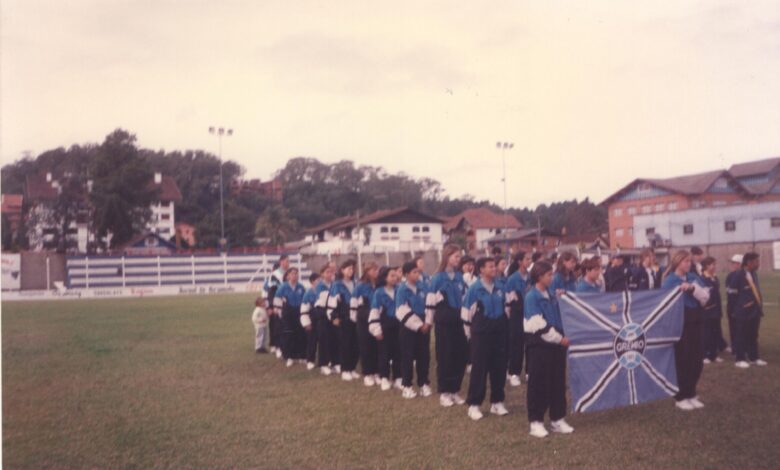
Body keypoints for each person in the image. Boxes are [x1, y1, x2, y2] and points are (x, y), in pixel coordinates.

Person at [524, 261, 573, 438]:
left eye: (552, 274)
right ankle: (535, 422)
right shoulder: (532, 297)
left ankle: (557, 418)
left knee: (558, 382)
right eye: (548, 275)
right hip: (541, 346)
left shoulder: (552, 295)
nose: (552, 278)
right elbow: (540, 327)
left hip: (556, 347)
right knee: (539, 384)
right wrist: (561, 339)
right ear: (539, 277)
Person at [462, 257, 509, 421]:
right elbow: (466, 315)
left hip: (499, 332)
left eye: (494, 266)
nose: (494, 269)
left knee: (499, 367)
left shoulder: (501, 286)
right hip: (481, 334)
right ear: (481, 269)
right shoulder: (474, 289)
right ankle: (474, 404)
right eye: (490, 266)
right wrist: (472, 335)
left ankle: (497, 401)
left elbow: (506, 308)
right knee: (479, 369)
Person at [662, 250, 707, 411]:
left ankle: (691, 393)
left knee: (697, 360)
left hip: (696, 320)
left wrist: (692, 288)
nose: (688, 264)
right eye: (685, 261)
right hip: (680, 324)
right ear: (677, 262)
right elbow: (664, 305)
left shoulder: (694, 278)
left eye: (690, 261)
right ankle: (680, 396)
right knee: (683, 360)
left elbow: (705, 297)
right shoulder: (669, 281)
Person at [427, 245, 469, 407]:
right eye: (456, 256)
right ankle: (444, 392)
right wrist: (428, 323)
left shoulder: (460, 277)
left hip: (459, 323)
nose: (458, 259)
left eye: (459, 256)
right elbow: (430, 303)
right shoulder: (437, 278)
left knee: (460, 356)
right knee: (445, 356)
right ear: (447, 257)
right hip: (444, 324)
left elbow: (465, 299)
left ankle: (454, 390)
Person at [396, 261, 433, 399]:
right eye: (414, 272)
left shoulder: (423, 287)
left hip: (425, 326)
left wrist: (428, 323)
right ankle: (407, 385)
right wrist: (418, 325)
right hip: (408, 327)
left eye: (418, 272)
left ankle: (423, 383)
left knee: (424, 355)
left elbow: (429, 305)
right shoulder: (402, 290)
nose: (418, 274)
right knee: (407, 356)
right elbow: (401, 310)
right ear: (406, 274)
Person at [369, 266, 403, 391]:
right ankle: (384, 377)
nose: (395, 278)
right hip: (385, 327)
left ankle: (398, 377)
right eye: (392, 276)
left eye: (396, 275)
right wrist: (376, 329)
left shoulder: (399, 290)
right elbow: (374, 311)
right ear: (385, 278)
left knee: (398, 352)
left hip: (398, 326)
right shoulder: (379, 293)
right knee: (384, 353)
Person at [327, 260, 361, 381]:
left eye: (352, 269)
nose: (351, 271)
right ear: (342, 270)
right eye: (348, 269)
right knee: (345, 344)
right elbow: (332, 302)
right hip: (343, 317)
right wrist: (334, 317)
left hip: (355, 317)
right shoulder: (337, 285)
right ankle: (345, 369)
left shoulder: (356, 283)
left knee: (355, 344)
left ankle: (352, 368)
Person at [732, 252, 766, 369]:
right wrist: (741, 306)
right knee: (741, 335)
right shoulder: (738, 275)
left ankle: (754, 357)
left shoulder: (753, 274)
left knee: (753, 335)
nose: (758, 264)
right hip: (743, 311)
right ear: (748, 262)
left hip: (755, 310)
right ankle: (739, 359)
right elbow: (732, 293)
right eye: (756, 261)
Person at [505, 251, 532, 386]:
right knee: (516, 344)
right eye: (527, 259)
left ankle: (529, 371)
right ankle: (514, 373)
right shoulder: (512, 279)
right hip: (517, 315)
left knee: (530, 343)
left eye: (530, 259)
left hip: (530, 314)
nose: (529, 261)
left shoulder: (531, 277)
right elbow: (508, 303)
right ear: (520, 261)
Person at [274, 267, 307, 367]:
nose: (295, 275)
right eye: (292, 273)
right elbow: (277, 300)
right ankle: (289, 357)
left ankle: (301, 356)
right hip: (287, 312)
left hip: (299, 312)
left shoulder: (301, 287)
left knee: (300, 334)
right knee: (288, 335)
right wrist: (280, 312)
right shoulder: (283, 287)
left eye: (296, 273)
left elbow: (305, 301)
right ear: (288, 275)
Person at [355, 262, 380, 387]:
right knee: (366, 346)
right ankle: (367, 373)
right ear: (367, 271)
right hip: (364, 320)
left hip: (377, 319)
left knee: (376, 346)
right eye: (373, 270)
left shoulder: (379, 285)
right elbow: (356, 305)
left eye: (377, 270)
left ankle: (376, 371)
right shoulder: (360, 286)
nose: (376, 272)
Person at [315, 264, 340, 376]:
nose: (330, 274)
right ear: (322, 274)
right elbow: (324, 303)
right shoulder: (320, 286)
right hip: (323, 315)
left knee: (334, 339)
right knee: (324, 340)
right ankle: (323, 364)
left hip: (333, 315)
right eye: (327, 272)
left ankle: (335, 362)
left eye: (331, 272)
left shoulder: (335, 285)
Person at [264, 255, 290, 358]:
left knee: (287, 326)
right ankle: (278, 347)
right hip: (278, 304)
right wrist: (270, 306)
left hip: (288, 304)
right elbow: (271, 291)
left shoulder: (290, 273)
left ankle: (287, 347)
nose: (288, 263)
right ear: (281, 262)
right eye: (287, 261)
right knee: (278, 326)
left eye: (289, 261)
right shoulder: (275, 274)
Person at [700, 257, 723, 364]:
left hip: (716, 311)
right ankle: (705, 355)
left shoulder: (715, 277)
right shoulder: (702, 279)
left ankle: (714, 354)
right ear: (705, 266)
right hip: (707, 311)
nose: (714, 267)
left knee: (715, 332)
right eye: (711, 265)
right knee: (706, 333)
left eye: (714, 264)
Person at [300, 272, 320, 370]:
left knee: (324, 342)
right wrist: (306, 323)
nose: (320, 282)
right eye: (318, 280)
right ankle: (310, 360)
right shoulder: (308, 293)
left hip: (322, 321)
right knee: (312, 341)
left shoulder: (324, 291)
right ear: (312, 282)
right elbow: (304, 310)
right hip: (312, 321)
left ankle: (325, 361)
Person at [724, 254, 743, 355]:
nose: (732, 265)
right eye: (732, 263)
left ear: (740, 264)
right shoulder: (730, 275)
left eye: (734, 263)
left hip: (740, 306)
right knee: (733, 327)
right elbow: (728, 289)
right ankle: (735, 347)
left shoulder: (744, 275)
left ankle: (742, 347)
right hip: (731, 305)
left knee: (741, 328)